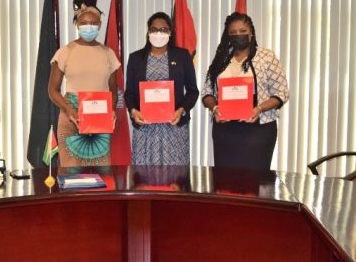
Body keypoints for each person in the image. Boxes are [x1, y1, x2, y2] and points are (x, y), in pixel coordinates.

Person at [202, 12, 289, 171]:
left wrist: (259, 108)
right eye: (233, 33)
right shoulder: (221, 59)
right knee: (225, 182)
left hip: (258, 131)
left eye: (242, 31)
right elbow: (206, 94)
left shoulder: (267, 56)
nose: (238, 35)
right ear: (227, 36)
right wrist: (215, 108)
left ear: (251, 33)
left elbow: (281, 93)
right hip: (225, 131)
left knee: (254, 182)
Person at [48, 0, 120, 167]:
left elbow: (114, 90)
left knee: (102, 172)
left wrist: (111, 110)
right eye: (84, 23)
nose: (89, 27)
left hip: (100, 116)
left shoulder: (108, 54)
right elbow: (52, 90)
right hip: (71, 116)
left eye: (93, 23)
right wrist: (68, 109)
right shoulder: (65, 52)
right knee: (71, 174)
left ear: (100, 25)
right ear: (77, 25)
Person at [124, 12, 199, 165]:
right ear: (148, 32)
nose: (159, 33)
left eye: (164, 29)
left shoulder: (182, 56)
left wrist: (181, 110)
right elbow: (129, 93)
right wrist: (133, 111)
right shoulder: (136, 58)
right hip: (145, 128)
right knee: (145, 177)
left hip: (174, 127)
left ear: (170, 33)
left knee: (175, 179)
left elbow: (192, 91)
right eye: (154, 29)